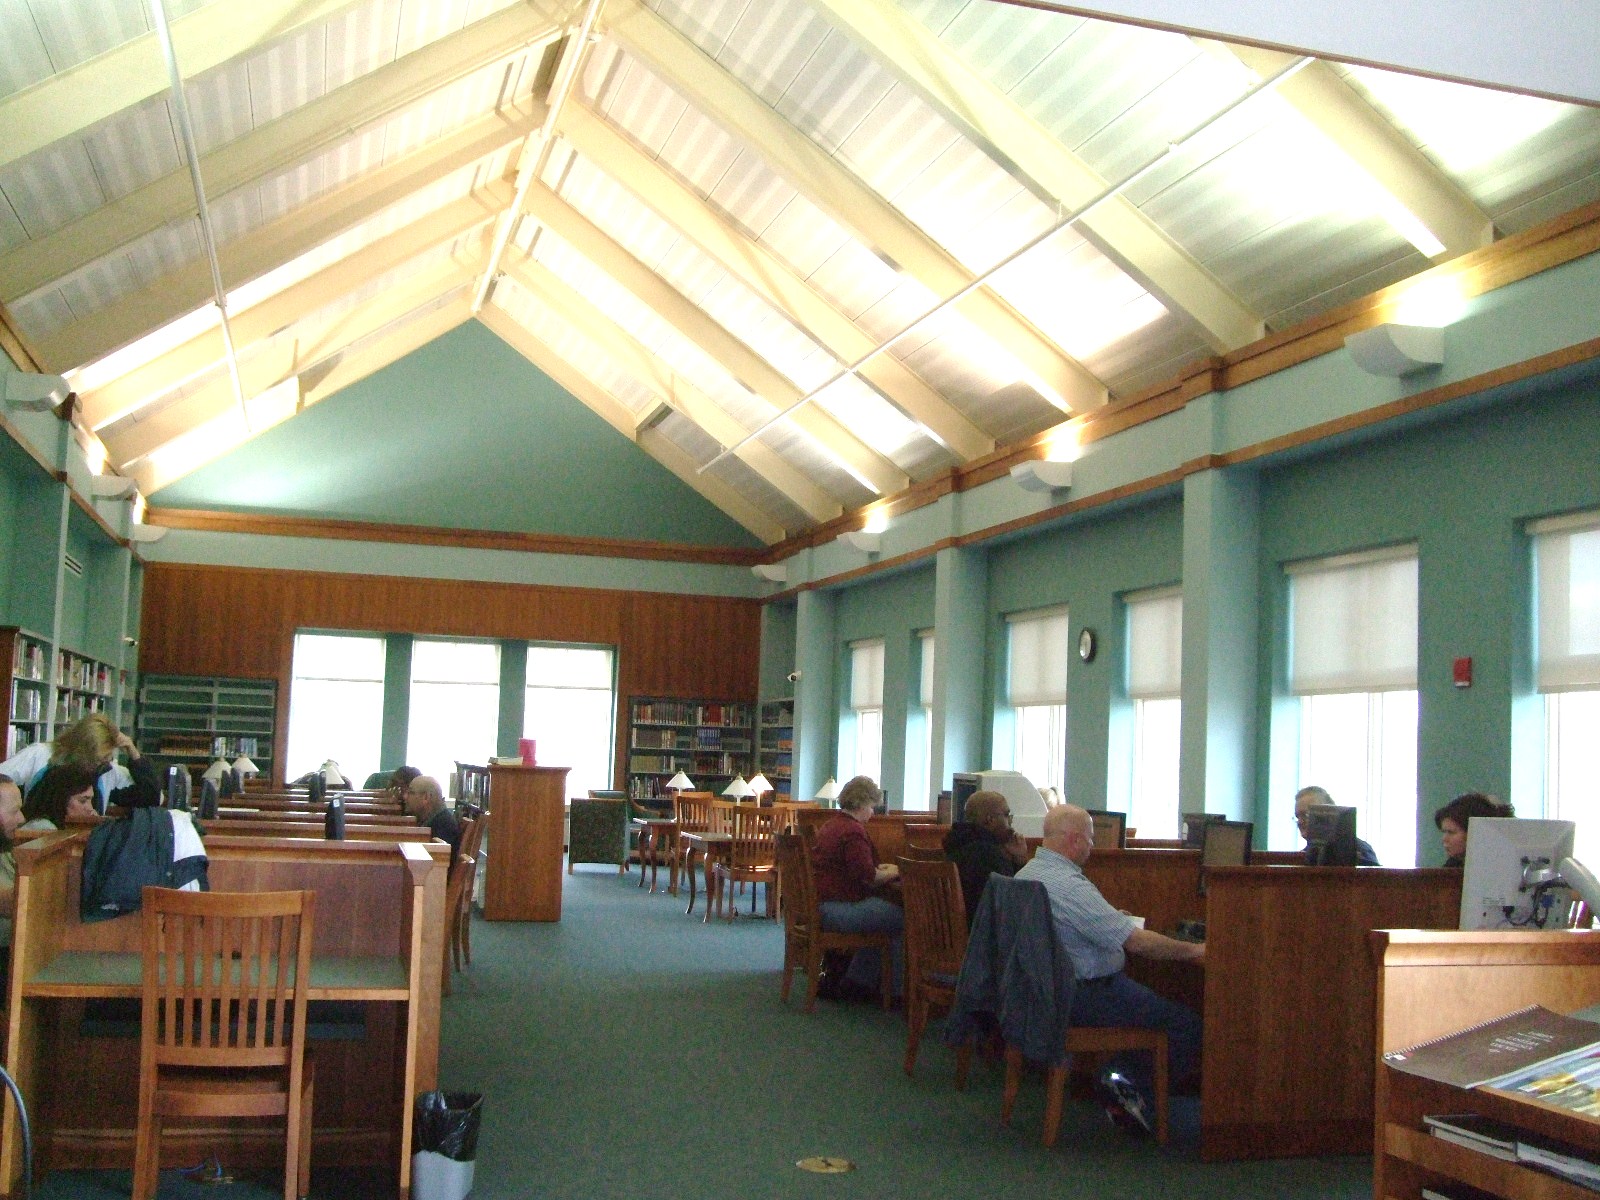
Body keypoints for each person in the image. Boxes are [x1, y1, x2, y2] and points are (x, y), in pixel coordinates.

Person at [1016, 803, 1204, 1137]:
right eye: (1090, 840)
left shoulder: (1027, 874)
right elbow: (1137, 944)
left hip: (1045, 993)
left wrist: (1109, 919)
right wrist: (1194, 950)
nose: (1092, 847)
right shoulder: (1069, 885)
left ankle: (1118, 1079)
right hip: (1086, 994)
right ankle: (1131, 1093)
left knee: (1153, 1008)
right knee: (1186, 1025)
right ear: (1075, 841)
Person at [810, 775, 902, 1001]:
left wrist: (882, 870)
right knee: (902, 918)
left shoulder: (832, 825)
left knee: (881, 916)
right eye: (872, 807)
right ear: (861, 804)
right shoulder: (853, 831)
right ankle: (897, 991)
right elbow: (868, 877)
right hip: (836, 910)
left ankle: (859, 981)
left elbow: (858, 869)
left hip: (822, 906)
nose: (873, 813)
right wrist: (897, 871)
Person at [0, 712, 158, 814]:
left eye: (106, 758)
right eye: (96, 758)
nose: (99, 764)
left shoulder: (107, 771)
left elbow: (152, 796)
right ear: (81, 747)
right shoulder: (40, 754)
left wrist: (133, 753)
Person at [943, 789, 1030, 923]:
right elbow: (1015, 903)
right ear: (990, 820)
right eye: (1007, 815)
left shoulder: (955, 845)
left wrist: (1017, 860)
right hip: (980, 937)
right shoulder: (989, 856)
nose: (1010, 823)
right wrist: (1021, 862)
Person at [1294, 785, 1379, 865]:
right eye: (1297, 817)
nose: (1300, 822)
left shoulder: (1360, 850)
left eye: (1306, 815)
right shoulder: (1301, 857)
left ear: (1330, 812)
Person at [1434, 792, 1515, 867]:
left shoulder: (1503, 867)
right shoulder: (1450, 868)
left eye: (1451, 832)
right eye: (1444, 832)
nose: (1444, 839)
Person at [19, 764, 102, 832]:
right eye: (82, 801)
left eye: (91, 801)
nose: (90, 808)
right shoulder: (42, 827)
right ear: (60, 800)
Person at [404, 775, 461, 863]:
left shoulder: (443, 825)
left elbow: (432, 865)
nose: (405, 797)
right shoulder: (435, 819)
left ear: (426, 797)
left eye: (410, 792)